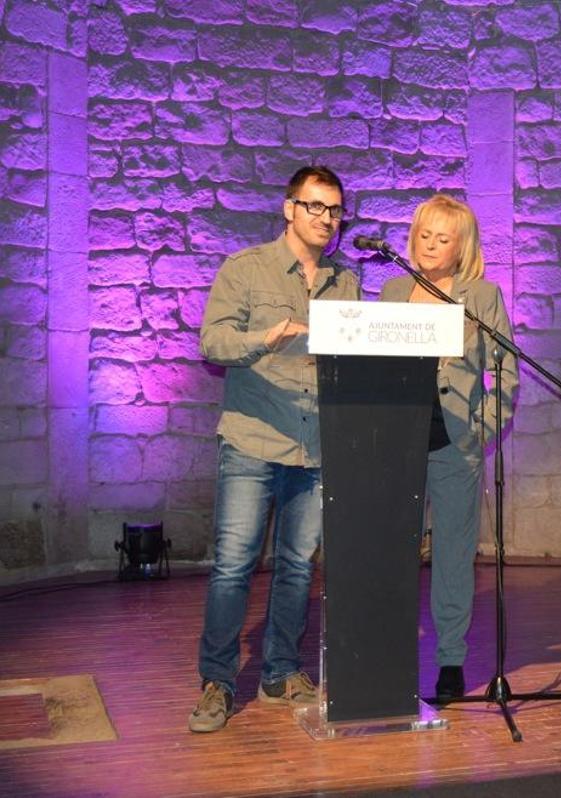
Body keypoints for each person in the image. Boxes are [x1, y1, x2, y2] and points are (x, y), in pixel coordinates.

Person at [188, 166, 361, 732]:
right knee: (233, 565)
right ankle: (216, 682)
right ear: (289, 208)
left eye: (335, 210)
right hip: (253, 439)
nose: (326, 219)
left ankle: (280, 672)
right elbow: (212, 341)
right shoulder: (245, 268)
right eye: (315, 206)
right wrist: (266, 337)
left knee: (296, 567)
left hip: (315, 446)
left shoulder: (346, 282)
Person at [378, 194, 518, 703]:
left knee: (453, 557)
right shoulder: (393, 291)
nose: (431, 245)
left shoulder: (481, 297)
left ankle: (450, 660)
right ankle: (390, 653)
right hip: (398, 442)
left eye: (443, 238)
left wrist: (482, 430)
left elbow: (506, 374)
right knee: (393, 553)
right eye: (424, 235)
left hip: (455, 442)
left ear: (463, 247)